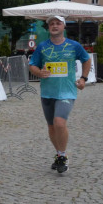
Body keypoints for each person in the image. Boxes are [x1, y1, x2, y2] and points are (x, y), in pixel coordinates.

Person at [28, 15, 91, 175]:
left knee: (59, 123)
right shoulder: (42, 47)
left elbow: (86, 59)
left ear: (64, 26)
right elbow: (32, 65)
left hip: (67, 92)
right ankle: (58, 153)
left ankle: (62, 156)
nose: (54, 26)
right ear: (48, 27)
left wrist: (83, 78)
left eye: (58, 23)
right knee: (51, 126)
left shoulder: (74, 45)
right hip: (48, 92)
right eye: (52, 24)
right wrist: (39, 72)